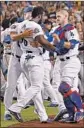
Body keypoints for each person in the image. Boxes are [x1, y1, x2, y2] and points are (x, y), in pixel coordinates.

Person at [8, 6, 56, 123]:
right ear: (39, 16)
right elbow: (42, 41)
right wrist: (55, 48)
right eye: (43, 15)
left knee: (35, 87)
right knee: (36, 87)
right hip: (34, 58)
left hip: (24, 57)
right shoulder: (36, 25)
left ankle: (43, 116)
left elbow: (16, 38)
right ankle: (16, 107)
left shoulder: (21, 24)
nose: (44, 17)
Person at [52, 9, 84, 123]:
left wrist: (58, 41)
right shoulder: (57, 30)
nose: (57, 18)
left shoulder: (70, 29)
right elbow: (53, 46)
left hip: (71, 61)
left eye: (59, 16)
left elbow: (71, 44)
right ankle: (71, 114)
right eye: (56, 16)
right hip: (61, 62)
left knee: (64, 87)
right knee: (62, 89)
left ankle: (80, 108)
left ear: (66, 16)